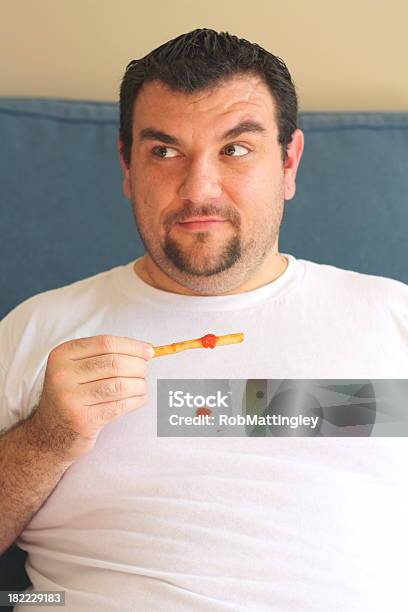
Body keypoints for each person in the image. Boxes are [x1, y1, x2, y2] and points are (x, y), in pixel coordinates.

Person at [0, 28, 407, 612]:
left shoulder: (393, 320)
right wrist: (46, 441)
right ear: (127, 166)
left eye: (235, 149)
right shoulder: (38, 330)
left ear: (288, 162)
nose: (199, 190)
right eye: (164, 152)